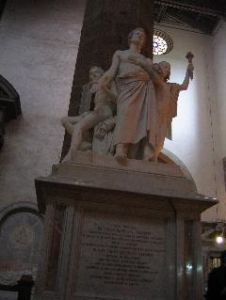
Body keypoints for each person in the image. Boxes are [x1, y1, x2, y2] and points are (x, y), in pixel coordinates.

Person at [100, 27, 157, 161]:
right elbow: (111, 71)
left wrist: (142, 64)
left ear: (143, 42)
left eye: (142, 36)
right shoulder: (120, 54)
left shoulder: (146, 60)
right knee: (125, 116)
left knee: (138, 121)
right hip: (125, 88)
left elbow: (154, 77)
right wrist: (104, 79)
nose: (139, 36)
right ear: (130, 37)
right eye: (137, 34)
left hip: (141, 89)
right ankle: (120, 149)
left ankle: (132, 152)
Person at [128, 56, 194, 160]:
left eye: (168, 68)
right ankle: (146, 157)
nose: (166, 68)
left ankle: (153, 157)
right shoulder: (153, 83)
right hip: (153, 114)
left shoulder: (171, 86)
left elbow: (184, 86)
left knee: (160, 139)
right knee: (150, 136)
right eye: (164, 66)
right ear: (158, 68)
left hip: (164, 117)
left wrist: (188, 72)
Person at [62, 66, 116, 160]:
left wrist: (104, 88)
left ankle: (71, 153)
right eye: (91, 74)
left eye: (96, 72)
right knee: (65, 120)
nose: (93, 75)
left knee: (79, 126)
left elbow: (117, 99)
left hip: (105, 110)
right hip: (95, 111)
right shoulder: (92, 85)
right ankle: (85, 144)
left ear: (102, 73)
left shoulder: (109, 81)